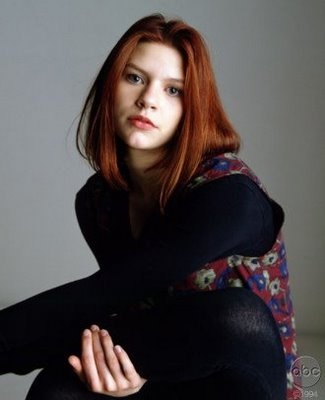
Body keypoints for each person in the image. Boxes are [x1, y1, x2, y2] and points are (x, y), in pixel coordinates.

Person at [0, 13, 297, 400]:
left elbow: (101, 295)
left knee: (234, 315)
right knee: (58, 386)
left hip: (241, 383)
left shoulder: (229, 195)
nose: (148, 99)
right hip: (163, 377)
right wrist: (124, 368)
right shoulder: (98, 202)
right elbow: (128, 314)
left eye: (174, 90)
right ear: (111, 86)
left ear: (194, 107)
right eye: (135, 77)